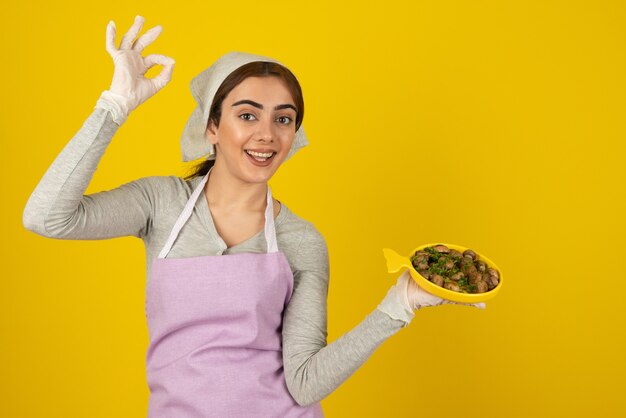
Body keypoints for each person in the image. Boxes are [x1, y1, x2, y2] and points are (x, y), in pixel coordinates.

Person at [22, 15, 485, 417]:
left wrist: (397, 306)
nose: (266, 135)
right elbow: (47, 218)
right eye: (247, 115)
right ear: (211, 127)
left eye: (283, 119)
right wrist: (114, 105)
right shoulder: (159, 204)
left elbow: (304, 382)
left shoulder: (301, 240)